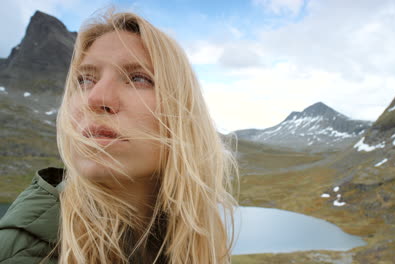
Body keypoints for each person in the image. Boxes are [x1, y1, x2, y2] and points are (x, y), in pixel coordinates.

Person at [0, 9, 238, 264]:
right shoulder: (21, 253)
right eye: (84, 80)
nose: (96, 98)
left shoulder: (197, 245)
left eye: (138, 78)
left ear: (184, 113)